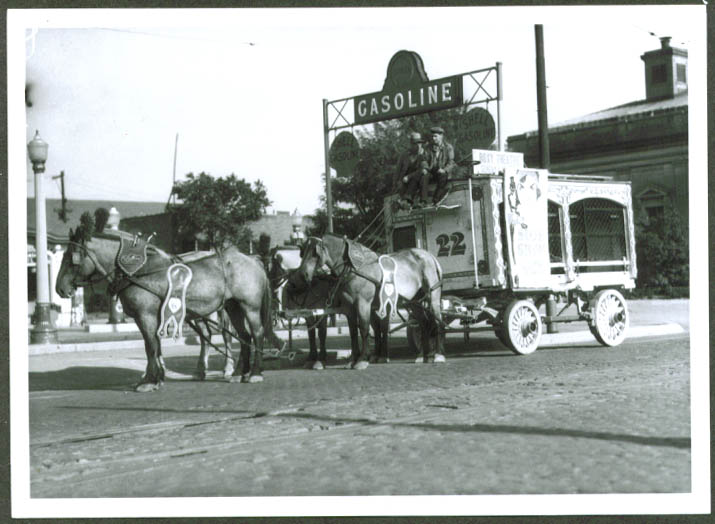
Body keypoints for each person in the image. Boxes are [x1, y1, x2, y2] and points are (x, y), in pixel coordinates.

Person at [393, 132, 428, 209]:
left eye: (420, 143)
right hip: (405, 181)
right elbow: (398, 170)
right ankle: (405, 203)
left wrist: (409, 177)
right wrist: (397, 182)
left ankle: (412, 201)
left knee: (421, 176)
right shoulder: (404, 155)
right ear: (411, 144)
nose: (418, 145)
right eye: (416, 143)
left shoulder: (424, 153)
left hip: (415, 178)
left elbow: (424, 170)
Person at [423, 126, 457, 206]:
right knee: (423, 177)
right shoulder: (428, 147)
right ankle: (423, 201)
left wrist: (444, 170)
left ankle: (435, 200)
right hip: (431, 171)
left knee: (443, 176)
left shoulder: (448, 147)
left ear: (441, 136)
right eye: (432, 136)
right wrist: (425, 168)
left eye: (435, 136)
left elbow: (451, 162)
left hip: (442, 171)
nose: (433, 138)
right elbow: (424, 160)